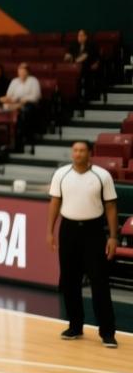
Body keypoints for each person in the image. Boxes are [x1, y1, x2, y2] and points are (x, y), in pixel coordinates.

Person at [47, 141, 119, 348]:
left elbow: (111, 206)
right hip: (68, 230)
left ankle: (107, 332)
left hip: (93, 231)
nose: (77, 154)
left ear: (90, 154)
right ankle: (75, 326)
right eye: (75, 150)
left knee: (99, 282)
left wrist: (113, 237)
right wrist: (49, 231)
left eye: (81, 150)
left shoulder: (102, 176)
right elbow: (55, 203)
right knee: (69, 280)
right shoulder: (61, 174)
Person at [1, 62, 42, 148]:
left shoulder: (33, 81)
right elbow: (9, 95)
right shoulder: (14, 81)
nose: (21, 73)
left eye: (23, 71)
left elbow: (36, 97)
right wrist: (9, 100)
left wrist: (21, 100)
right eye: (20, 71)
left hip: (29, 105)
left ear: (28, 72)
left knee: (25, 110)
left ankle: (22, 139)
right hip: (14, 103)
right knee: (3, 107)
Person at [64, 29, 100, 102]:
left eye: (81, 35)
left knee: (86, 74)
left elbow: (84, 56)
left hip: (88, 66)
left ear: (86, 37)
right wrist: (68, 56)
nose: (79, 37)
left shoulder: (90, 44)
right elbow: (68, 54)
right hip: (76, 67)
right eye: (78, 35)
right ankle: (75, 96)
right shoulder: (74, 44)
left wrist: (74, 61)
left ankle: (87, 96)